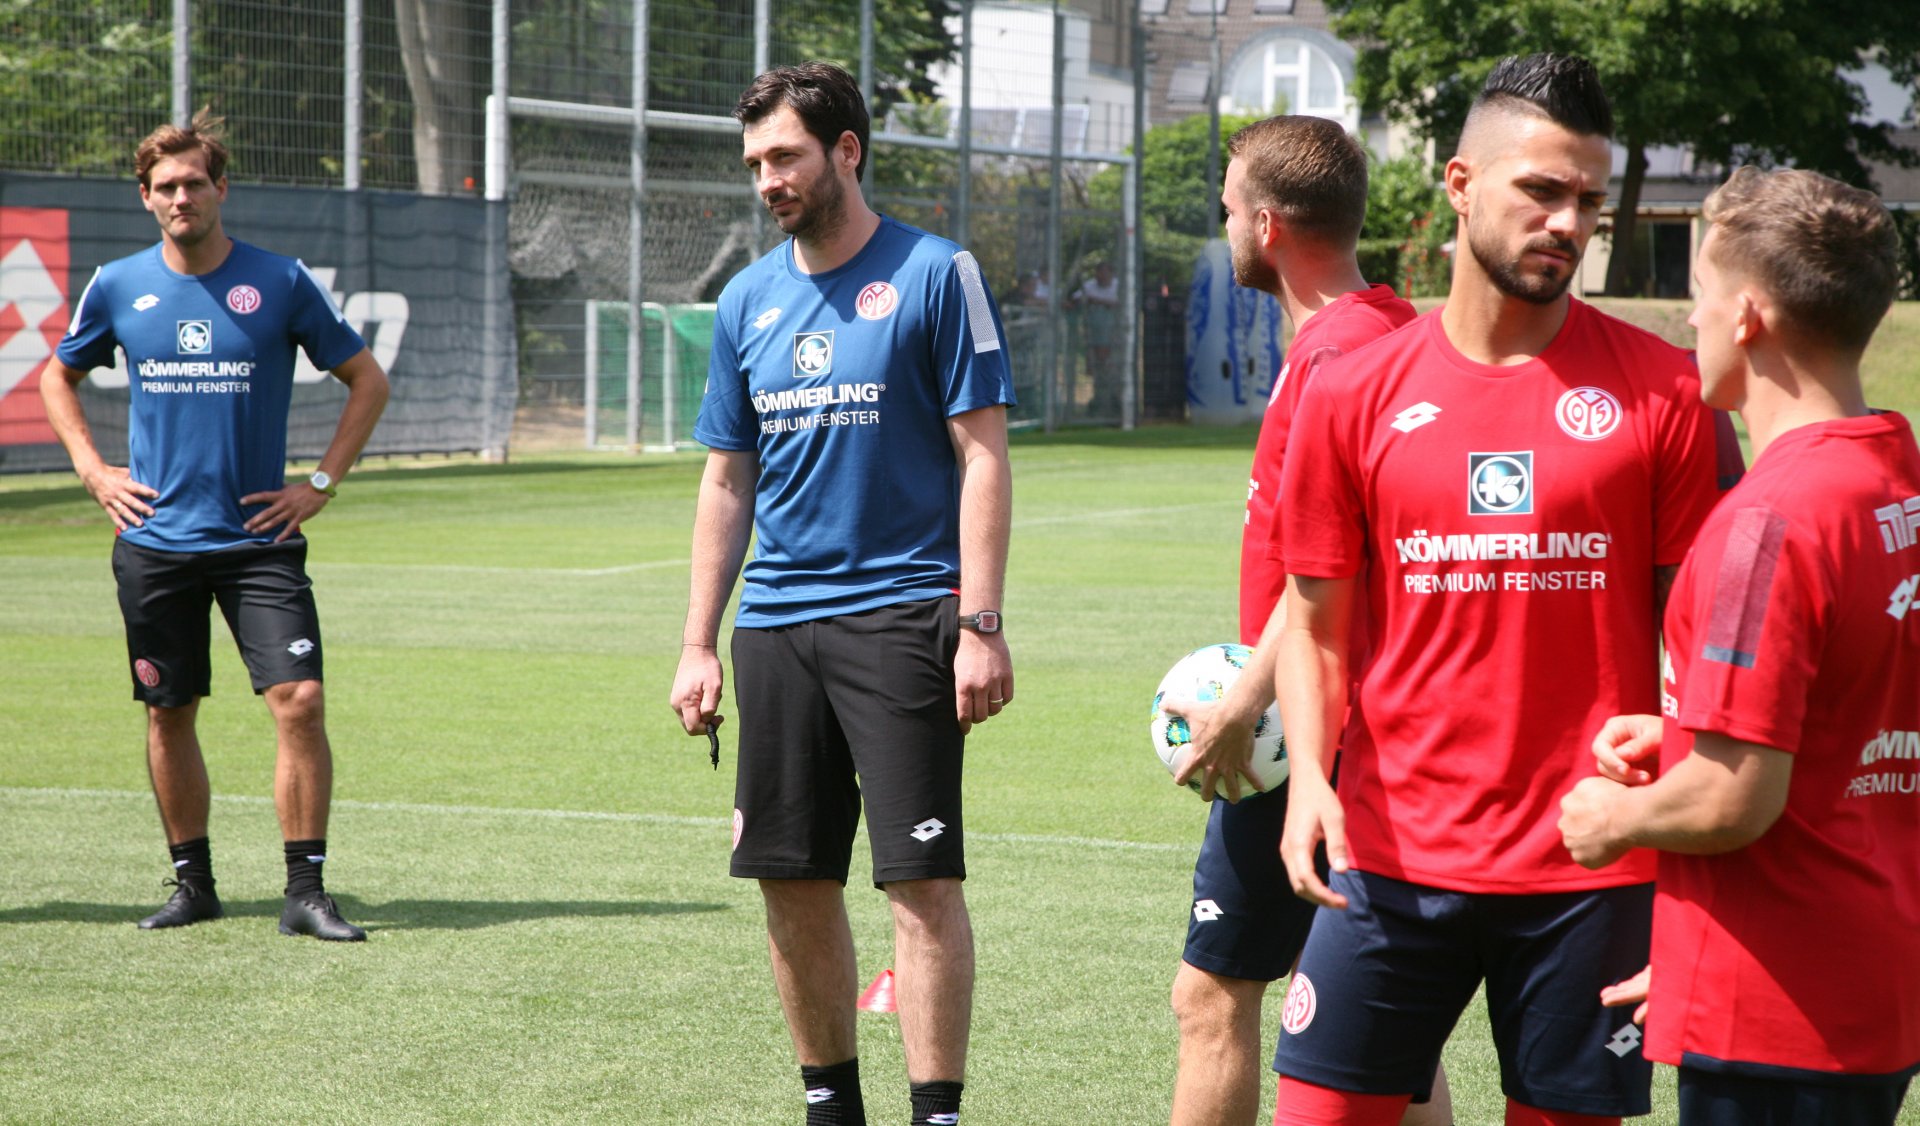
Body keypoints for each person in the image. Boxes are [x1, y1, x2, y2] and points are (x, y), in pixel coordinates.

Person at [1270, 55, 1728, 1125]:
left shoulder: (1666, 393)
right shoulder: (1351, 391)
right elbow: (1317, 627)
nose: (1567, 222)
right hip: (1384, 854)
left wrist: (1686, 856)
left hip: (1593, 866)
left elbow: (1704, 648)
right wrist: (1306, 784)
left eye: (1588, 201)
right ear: (1461, 183)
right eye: (1541, 190)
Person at [668, 62, 1015, 1126]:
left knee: (920, 881)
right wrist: (698, 642)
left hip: (904, 616)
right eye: (755, 163)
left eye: (785, 156)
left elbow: (983, 458)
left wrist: (980, 623)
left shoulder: (936, 273)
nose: (767, 180)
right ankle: (831, 1108)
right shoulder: (745, 300)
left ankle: (935, 1114)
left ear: (846, 151)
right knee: (791, 880)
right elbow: (727, 479)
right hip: (776, 627)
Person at [1558, 167, 1920, 1125]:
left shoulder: (1766, 522)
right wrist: (1684, 732)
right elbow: (1853, 707)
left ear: (1749, 316)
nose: (1692, 321)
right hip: (1873, 975)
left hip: (1775, 1009)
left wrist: (1613, 820)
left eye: (1700, 295)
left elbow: (1734, 796)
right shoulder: (1896, 477)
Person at [1157, 116, 1447, 1126]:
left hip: (1313, 732)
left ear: (1269, 225)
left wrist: (1242, 702)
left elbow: (1337, 566)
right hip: (1354, 726)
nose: (1225, 223)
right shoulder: (1384, 327)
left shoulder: (1338, 356)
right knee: (1388, 1036)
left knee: (1211, 996)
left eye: (1229, 207)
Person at [39, 111, 390, 942]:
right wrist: (93, 471)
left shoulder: (280, 280)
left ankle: (306, 892)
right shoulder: (117, 285)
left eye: (194, 182)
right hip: (155, 542)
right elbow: (58, 377)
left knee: (300, 701)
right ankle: (193, 884)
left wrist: (319, 484)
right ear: (145, 197)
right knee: (169, 711)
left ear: (221, 188)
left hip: (259, 541)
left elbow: (367, 380)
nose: (181, 197)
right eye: (165, 186)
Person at [1069, 258, 1120, 415]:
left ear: (1110, 273)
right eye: (1099, 273)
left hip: (1114, 335)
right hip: (1094, 335)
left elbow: (1120, 304)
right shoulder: (1090, 285)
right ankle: (1100, 401)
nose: (1101, 276)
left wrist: (1096, 301)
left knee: (1111, 368)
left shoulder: (1119, 286)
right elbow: (1075, 299)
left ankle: (1114, 402)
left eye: (1104, 273)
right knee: (1097, 368)